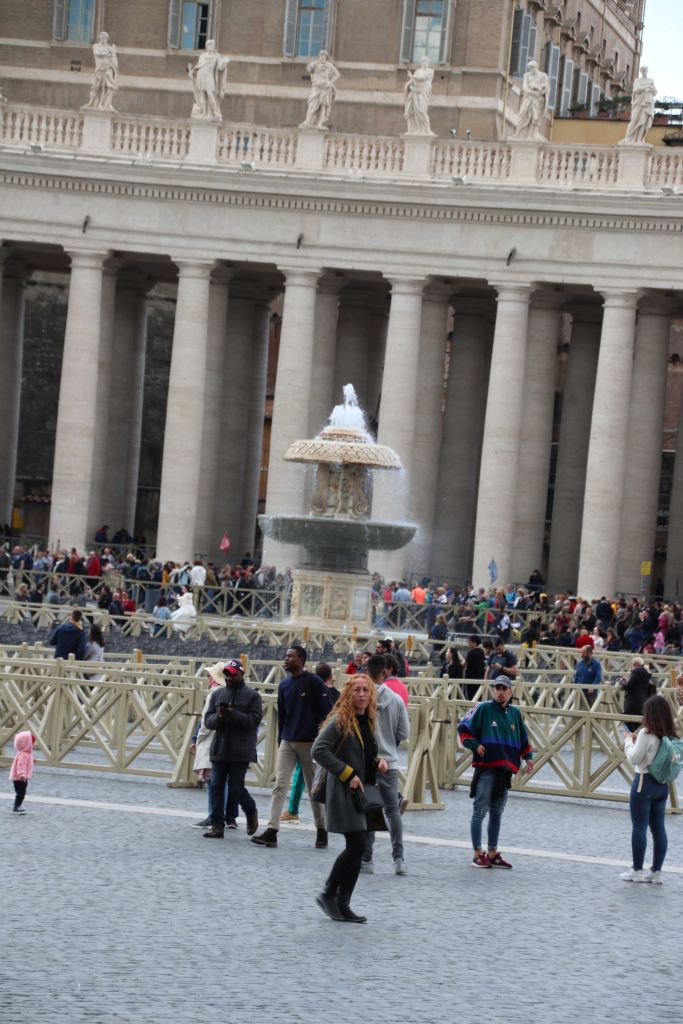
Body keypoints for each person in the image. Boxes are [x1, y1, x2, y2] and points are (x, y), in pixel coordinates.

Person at [311, 674, 389, 923]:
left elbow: (363, 755)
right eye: (357, 690)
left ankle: (343, 903)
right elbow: (318, 750)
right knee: (356, 845)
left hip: (363, 791)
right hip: (345, 790)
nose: (362, 694)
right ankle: (327, 894)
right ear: (348, 693)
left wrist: (378, 762)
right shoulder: (340, 720)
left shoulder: (367, 719)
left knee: (359, 846)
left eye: (366, 690)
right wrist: (347, 773)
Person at [251, 646, 332, 849]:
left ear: (302, 660)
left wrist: (320, 740)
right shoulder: (284, 684)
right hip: (288, 741)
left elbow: (326, 712)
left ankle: (321, 829)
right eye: (285, 656)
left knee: (313, 790)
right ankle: (272, 831)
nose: (286, 659)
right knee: (279, 785)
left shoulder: (314, 682)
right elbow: (283, 714)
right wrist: (281, 738)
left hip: (309, 743)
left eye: (291, 656)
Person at [458, 675, 533, 868]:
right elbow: (463, 728)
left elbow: (523, 739)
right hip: (486, 768)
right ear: (493, 690)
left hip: (505, 771)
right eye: (497, 688)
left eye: (504, 689)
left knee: (497, 813)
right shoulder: (483, 708)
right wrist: (475, 745)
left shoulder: (515, 713)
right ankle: (477, 854)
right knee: (479, 811)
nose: (500, 692)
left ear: (510, 691)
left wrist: (529, 757)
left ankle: (492, 853)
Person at [361, 655, 410, 875]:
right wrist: (389, 742)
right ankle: (399, 859)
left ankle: (367, 859)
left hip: (366, 763)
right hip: (389, 762)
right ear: (385, 672)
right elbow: (404, 733)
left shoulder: (360, 697)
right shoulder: (396, 699)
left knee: (370, 809)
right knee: (393, 811)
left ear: (366, 671)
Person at [620, 695, 678, 883]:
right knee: (659, 829)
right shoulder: (669, 733)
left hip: (644, 783)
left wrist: (628, 741)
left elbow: (635, 758)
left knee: (639, 827)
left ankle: (637, 870)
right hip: (661, 786)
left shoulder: (646, 733)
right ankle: (656, 872)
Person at [202, 660, 262, 839]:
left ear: (242, 674)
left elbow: (254, 721)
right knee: (216, 786)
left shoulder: (253, 696)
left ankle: (250, 810)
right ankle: (217, 826)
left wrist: (233, 714)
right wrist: (220, 717)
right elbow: (208, 721)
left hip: (240, 750)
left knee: (236, 788)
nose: (228, 677)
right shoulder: (217, 694)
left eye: (232, 674)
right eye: (226, 674)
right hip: (219, 748)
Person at [281, 661, 339, 824]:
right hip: (331, 740)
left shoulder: (311, 689)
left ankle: (293, 811)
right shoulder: (337, 694)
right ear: (331, 676)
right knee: (329, 776)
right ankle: (330, 813)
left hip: (310, 739)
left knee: (301, 775)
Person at [189, 662, 238, 830]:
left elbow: (205, 722)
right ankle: (229, 817)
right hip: (230, 741)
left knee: (214, 781)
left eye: (209, 675)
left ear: (214, 678)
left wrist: (197, 739)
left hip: (212, 741)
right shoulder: (234, 692)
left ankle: (214, 816)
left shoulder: (214, 695)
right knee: (227, 780)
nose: (207, 678)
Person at [188, 39, 229, 121]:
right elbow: (198, 66)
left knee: (210, 94)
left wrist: (224, 62)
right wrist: (192, 72)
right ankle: (204, 113)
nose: (213, 47)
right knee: (202, 94)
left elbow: (220, 68)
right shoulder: (202, 56)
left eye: (213, 45)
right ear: (207, 46)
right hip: (201, 76)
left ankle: (215, 112)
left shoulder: (216, 56)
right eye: (211, 45)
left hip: (209, 77)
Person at [299, 50, 340, 129]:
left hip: (325, 88)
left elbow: (337, 74)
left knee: (323, 106)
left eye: (324, 56)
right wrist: (311, 66)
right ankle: (308, 121)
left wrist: (330, 82)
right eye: (321, 55)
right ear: (319, 57)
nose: (322, 57)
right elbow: (309, 68)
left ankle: (319, 124)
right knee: (312, 104)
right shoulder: (315, 64)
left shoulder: (329, 65)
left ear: (326, 57)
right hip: (316, 87)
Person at [510, 59, 550, 141]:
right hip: (528, 98)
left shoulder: (543, 76)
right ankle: (518, 132)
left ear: (536, 67)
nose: (530, 70)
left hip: (538, 100)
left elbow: (545, 89)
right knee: (522, 114)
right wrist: (532, 92)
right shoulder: (527, 75)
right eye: (529, 68)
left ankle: (532, 133)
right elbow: (524, 87)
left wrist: (538, 92)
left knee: (534, 116)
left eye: (532, 68)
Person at [623, 66, 657, 145]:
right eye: (642, 70)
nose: (644, 71)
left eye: (645, 70)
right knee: (634, 120)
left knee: (644, 122)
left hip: (648, 103)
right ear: (641, 71)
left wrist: (651, 89)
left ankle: (639, 140)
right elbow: (636, 90)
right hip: (638, 103)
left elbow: (655, 92)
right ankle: (628, 139)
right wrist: (646, 88)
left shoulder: (651, 80)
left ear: (647, 71)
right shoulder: (637, 81)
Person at [620, 657, 653, 731]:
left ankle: (631, 737)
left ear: (634, 665)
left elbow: (627, 686)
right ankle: (636, 737)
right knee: (637, 726)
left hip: (633, 704)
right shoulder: (646, 674)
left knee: (628, 724)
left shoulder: (635, 673)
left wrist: (622, 681)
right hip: (643, 704)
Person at [404, 56, 434, 135]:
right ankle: (415, 129)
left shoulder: (430, 71)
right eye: (424, 61)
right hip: (414, 92)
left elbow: (422, 78)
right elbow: (412, 81)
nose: (426, 63)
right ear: (421, 63)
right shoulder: (418, 71)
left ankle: (427, 129)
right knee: (413, 112)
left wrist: (412, 76)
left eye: (427, 62)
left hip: (423, 93)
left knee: (422, 110)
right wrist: (409, 85)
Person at [9, 730, 35, 814]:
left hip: (21, 778)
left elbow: (27, 761)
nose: (33, 745)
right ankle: (16, 807)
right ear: (27, 744)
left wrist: (32, 760)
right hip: (20, 778)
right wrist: (22, 775)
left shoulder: (25, 753)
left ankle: (18, 806)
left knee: (21, 792)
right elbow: (21, 765)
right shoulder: (23, 755)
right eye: (32, 743)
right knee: (21, 793)